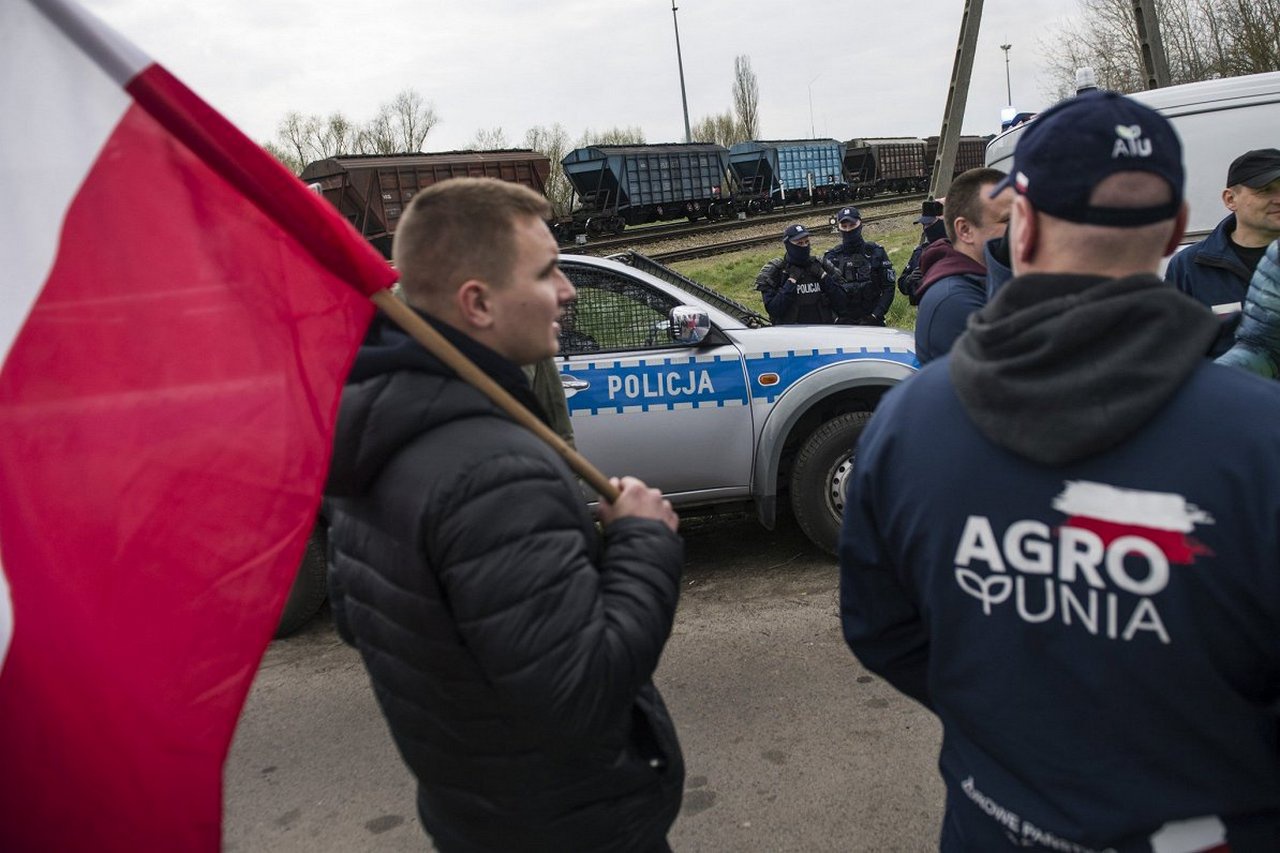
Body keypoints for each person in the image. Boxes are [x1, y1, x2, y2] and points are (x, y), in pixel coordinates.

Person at [840, 90, 1280, 851]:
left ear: (1024, 221)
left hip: (993, 823)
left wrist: (1012, 723)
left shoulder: (908, 423)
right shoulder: (1260, 440)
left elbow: (881, 629)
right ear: (1177, 228)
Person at [325, 177, 686, 852]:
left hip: (476, 813)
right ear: (478, 302)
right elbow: (581, 694)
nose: (569, 290)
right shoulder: (497, 473)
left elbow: (361, 620)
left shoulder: (376, 432)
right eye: (548, 272)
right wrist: (643, 541)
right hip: (568, 829)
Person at [1166, 147, 1280, 355]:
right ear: (1230, 199)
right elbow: (1173, 350)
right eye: (1266, 189)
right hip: (1227, 387)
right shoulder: (1190, 266)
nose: (1279, 198)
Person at [911, 168, 1012, 365]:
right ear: (965, 230)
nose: (1024, 225)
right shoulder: (954, 302)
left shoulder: (982, 279)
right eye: (1008, 219)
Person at [755, 223, 848, 324]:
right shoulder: (777, 271)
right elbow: (774, 310)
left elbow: (842, 302)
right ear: (788, 245)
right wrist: (791, 282)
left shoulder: (821, 265)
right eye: (799, 243)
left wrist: (824, 277)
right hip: (791, 334)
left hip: (823, 331)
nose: (804, 246)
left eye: (807, 242)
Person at [822, 206, 897, 325]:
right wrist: (836, 319)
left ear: (860, 224)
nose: (848, 230)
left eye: (852, 225)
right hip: (842, 326)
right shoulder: (831, 257)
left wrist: (875, 315)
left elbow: (889, 287)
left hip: (873, 322)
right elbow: (823, 295)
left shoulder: (876, 252)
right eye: (844, 226)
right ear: (839, 228)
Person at [898, 199, 948, 303]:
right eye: (924, 225)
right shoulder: (919, 251)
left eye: (930, 224)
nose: (926, 228)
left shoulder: (954, 250)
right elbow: (901, 283)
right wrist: (909, 280)